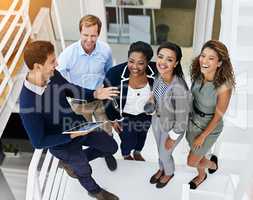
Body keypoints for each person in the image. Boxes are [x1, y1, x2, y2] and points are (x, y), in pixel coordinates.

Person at [19, 41, 120, 200]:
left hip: (80, 126)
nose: (57, 63)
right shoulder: (27, 103)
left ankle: (71, 164)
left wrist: (94, 94)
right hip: (63, 144)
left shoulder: (53, 76)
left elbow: (70, 89)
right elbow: (38, 142)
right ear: (38, 67)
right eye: (52, 61)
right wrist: (70, 136)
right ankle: (95, 191)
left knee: (111, 146)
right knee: (84, 171)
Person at [57, 14, 117, 171]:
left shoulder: (105, 50)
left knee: (106, 130)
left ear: (98, 34)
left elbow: (109, 72)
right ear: (80, 33)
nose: (89, 39)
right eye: (85, 35)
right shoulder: (68, 55)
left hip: (100, 99)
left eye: (93, 35)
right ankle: (79, 160)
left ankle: (107, 153)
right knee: (83, 134)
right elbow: (57, 80)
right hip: (79, 102)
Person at [186, 40, 235, 189]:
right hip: (192, 120)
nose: (204, 61)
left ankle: (212, 165)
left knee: (191, 161)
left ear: (219, 63)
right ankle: (202, 174)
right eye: (203, 55)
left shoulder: (224, 86)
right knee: (196, 153)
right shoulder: (198, 73)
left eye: (211, 58)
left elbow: (218, 116)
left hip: (210, 126)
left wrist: (203, 135)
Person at [104, 41, 157, 161]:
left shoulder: (155, 71)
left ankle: (137, 152)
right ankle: (126, 154)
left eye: (141, 63)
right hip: (125, 117)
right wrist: (112, 119)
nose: (134, 67)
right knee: (128, 140)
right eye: (131, 61)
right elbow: (107, 99)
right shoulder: (114, 74)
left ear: (148, 62)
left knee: (142, 137)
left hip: (145, 114)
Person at [148, 42, 191, 188]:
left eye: (169, 59)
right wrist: (151, 101)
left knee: (165, 153)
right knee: (159, 150)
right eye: (161, 57)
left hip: (173, 126)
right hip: (157, 120)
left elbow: (183, 118)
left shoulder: (179, 87)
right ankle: (162, 169)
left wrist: (173, 137)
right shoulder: (158, 78)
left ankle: (169, 172)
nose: (163, 62)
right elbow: (156, 96)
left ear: (176, 63)